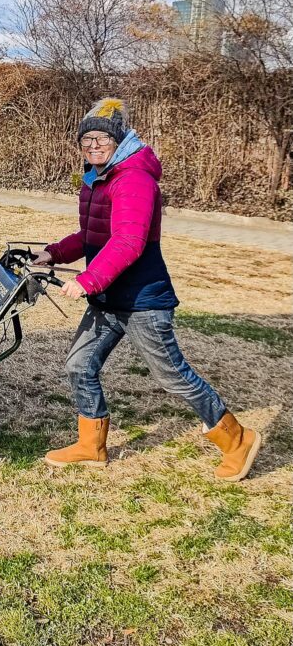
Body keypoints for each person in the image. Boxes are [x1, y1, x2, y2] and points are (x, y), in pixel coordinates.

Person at [31, 98, 261, 482]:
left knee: (172, 375)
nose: (92, 146)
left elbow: (128, 242)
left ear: (119, 139)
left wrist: (87, 280)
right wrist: (52, 253)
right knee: (79, 365)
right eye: (85, 139)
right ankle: (92, 446)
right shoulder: (97, 177)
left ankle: (236, 439)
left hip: (142, 300)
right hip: (108, 297)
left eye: (101, 138)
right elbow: (91, 237)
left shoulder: (134, 178)